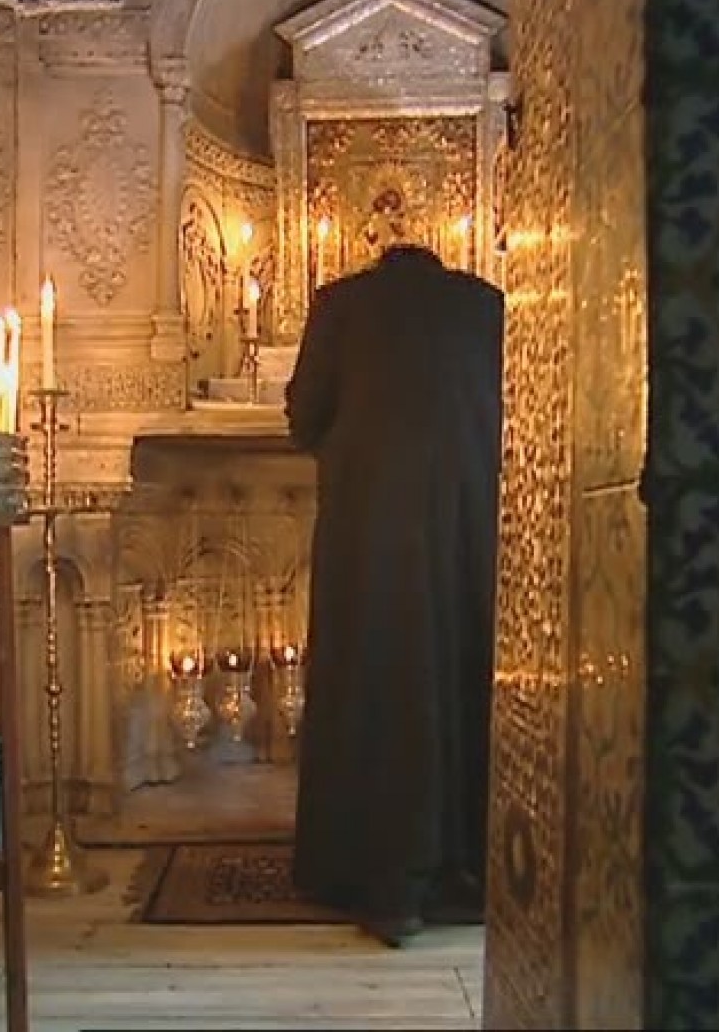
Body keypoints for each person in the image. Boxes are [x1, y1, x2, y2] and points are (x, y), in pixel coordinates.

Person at [286, 243, 504, 948]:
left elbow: (303, 417)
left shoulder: (340, 304)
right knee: (461, 676)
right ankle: (468, 867)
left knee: (377, 683)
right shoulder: (487, 305)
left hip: (368, 532)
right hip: (471, 528)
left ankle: (378, 880)